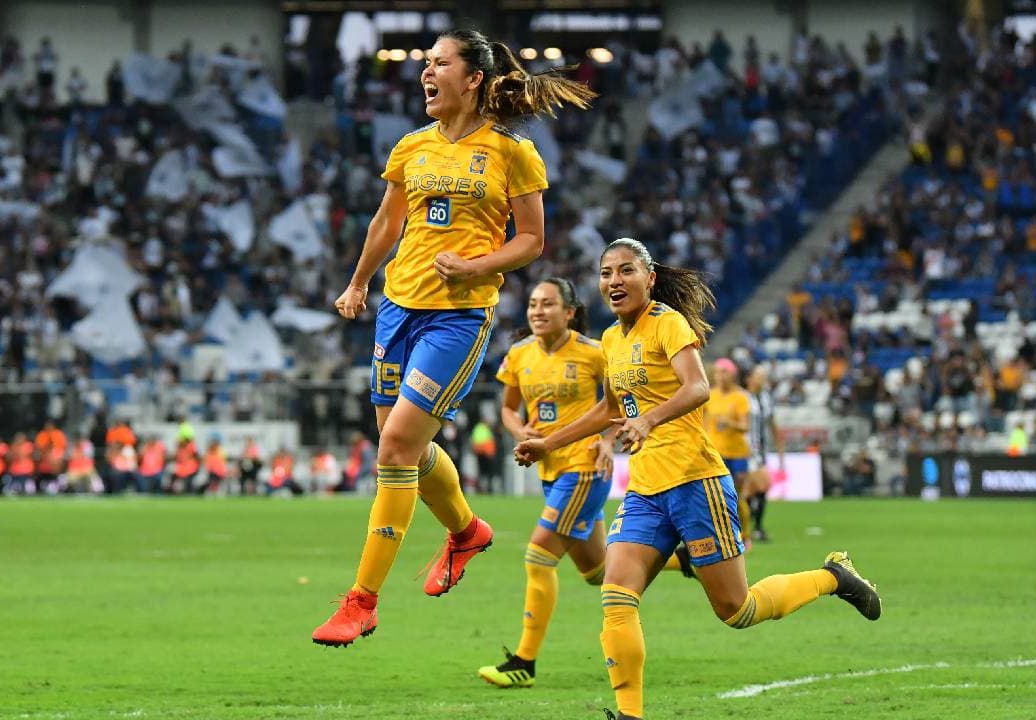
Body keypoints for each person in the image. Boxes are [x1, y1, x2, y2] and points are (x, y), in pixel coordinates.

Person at [515, 239, 881, 720]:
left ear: (649, 278)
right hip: (645, 489)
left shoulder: (668, 323)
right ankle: (630, 714)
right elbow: (607, 408)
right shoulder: (611, 339)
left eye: (626, 271)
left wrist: (647, 421)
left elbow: (698, 387)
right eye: (606, 273)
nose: (614, 281)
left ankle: (832, 577)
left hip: (695, 481)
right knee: (615, 593)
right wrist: (550, 442)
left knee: (737, 610)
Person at [314, 28, 596, 648]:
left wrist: (476, 266)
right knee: (404, 447)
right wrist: (359, 282)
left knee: (393, 450)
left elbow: (531, 240)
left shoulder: (510, 151)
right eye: (425, 62)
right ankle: (467, 532)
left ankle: (361, 601)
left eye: (440, 63)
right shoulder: (411, 146)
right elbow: (389, 219)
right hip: (397, 308)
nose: (426, 72)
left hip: (457, 316)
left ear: (472, 78)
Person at [476, 279, 618, 687]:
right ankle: (682, 559)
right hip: (548, 469)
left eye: (548, 304)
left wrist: (608, 442)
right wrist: (520, 432)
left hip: (585, 466)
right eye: (533, 304)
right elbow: (507, 410)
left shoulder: (595, 353)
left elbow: (618, 405)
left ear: (569, 312)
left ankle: (524, 662)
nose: (537, 311)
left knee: (539, 555)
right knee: (599, 573)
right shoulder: (518, 355)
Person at [705, 358, 754, 548]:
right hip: (716, 453)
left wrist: (730, 423)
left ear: (732, 374)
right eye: (717, 372)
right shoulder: (709, 396)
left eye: (723, 372)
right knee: (717, 497)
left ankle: (745, 535)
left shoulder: (740, 397)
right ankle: (723, 535)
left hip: (738, 454)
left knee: (737, 496)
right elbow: (704, 424)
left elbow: (745, 426)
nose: (719, 376)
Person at [743, 364, 775, 542]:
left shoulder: (766, 398)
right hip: (745, 450)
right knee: (747, 490)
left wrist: (780, 450)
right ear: (750, 379)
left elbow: (772, 424)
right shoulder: (742, 397)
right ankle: (749, 528)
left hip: (761, 451)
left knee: (761, 488)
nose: (763, 380)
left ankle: (756, 526)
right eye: (759, 376)